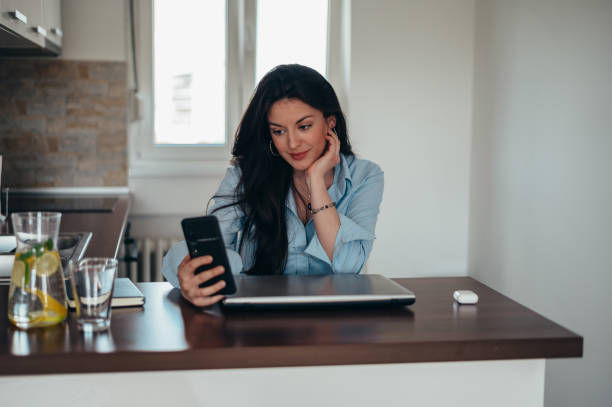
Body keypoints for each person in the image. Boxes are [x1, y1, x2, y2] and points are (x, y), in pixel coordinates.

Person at [162, 64, 384, 307]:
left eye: (304, 127)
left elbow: (348, 264)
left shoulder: (365, 176)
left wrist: (316, 181)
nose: (292, 143)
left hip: (332, 322)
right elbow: (214, 248)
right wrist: (188, 272)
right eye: (278, 131)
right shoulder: (246, 175)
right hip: (258, 320)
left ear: (330, 122)